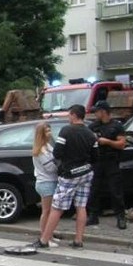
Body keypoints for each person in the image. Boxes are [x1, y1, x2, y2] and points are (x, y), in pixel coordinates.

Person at [14, 105, 97, 253]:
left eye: (69, 115)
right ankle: (78, 240)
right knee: (81, 206)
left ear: (73, 115)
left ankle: (44, 240)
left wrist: (66, 160)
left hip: (70, 173)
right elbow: (95, 157)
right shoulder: (91, 134)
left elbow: (58, 153)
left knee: (57, 207)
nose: (68, 118)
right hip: (86, 172)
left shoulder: (66, 131)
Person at [87, 100, 128, 229]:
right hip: (97, 161)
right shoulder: (93, 126)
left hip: (111, 161)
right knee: (94, 189)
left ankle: (121, 217)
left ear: (103, 112)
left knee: (115, 190)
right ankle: (93, 216)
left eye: (97, 111)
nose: (95, 114)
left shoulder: (116, 126)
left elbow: (122, 144)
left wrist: (107, 142)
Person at [32, 122, 58, 235]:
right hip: (46, 182)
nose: (49, 133)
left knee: (50, 211)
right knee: (46, 211)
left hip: (49, 181)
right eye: (47, 131)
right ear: (41, 134)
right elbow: (50, 168)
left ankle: (49, 235)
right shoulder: (41, 150)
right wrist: (59, 165)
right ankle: (45, 235)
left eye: (49, 130)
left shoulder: (48, 146)